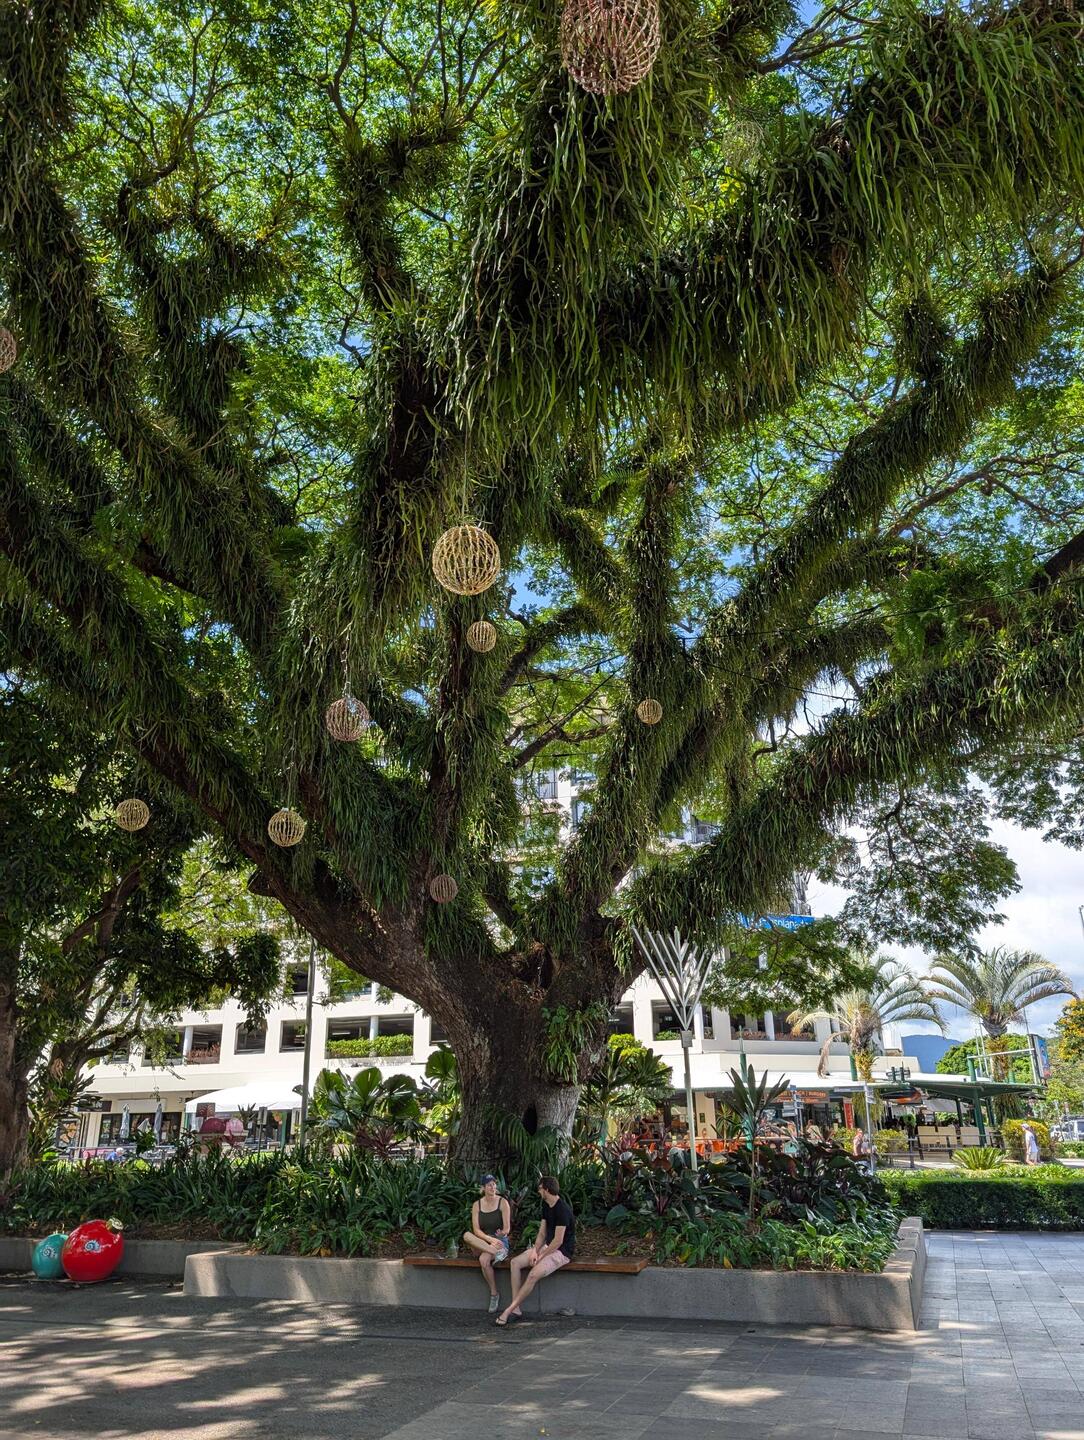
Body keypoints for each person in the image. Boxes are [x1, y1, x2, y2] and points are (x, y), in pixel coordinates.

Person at [496, 1175, 574, 1326]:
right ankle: (516, 1308)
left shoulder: (562, 1210)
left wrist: (542, 1255)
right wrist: (535, 1251)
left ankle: (508, 1310)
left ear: (546, 1189)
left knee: (533, 1275)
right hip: (548, 1247)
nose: (538, 1191)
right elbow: (542, 1233)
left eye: (539, 1188)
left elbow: (558, 1241)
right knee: (515, 1263)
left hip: (562, 1252)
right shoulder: (546, 1205)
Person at [461, 1174, 512, 1313]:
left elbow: (507, 1228)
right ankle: (497, 1254)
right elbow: (476, 1230)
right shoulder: (477, 1205)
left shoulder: (503, 1202)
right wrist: (489, 1240)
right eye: (489, 1185)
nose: (493, 1187)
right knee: (467, 1235)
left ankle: (494, 1294)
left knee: (484, 1260)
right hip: (484, 1241)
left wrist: (501, 1234)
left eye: (494, 1184)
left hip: (499, 1240)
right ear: (483, 1188)